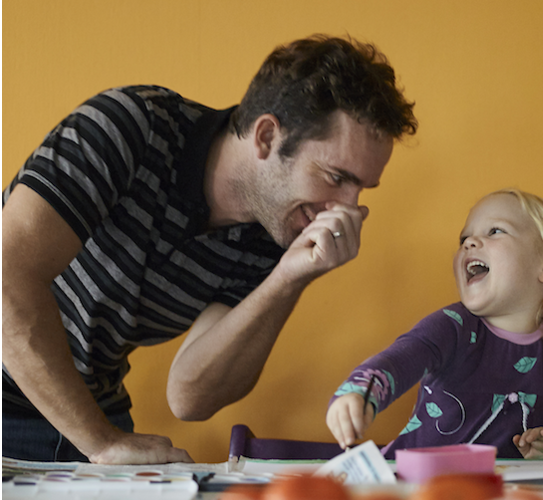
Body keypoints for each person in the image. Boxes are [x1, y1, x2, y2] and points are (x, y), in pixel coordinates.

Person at [2, 35, 417, 464]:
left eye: (361, 189)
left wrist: (290, 277)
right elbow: (6, 277)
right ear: (267, 137)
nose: (348, 208)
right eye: (336, 177)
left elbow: (191, 396)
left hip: (93, 414)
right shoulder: (131, 126)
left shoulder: (277, 228)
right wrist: (101, 442)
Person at [326, 189, 543, 459]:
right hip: (413, 486)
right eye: (464, 238)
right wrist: (357, 393)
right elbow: (399, 361)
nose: (469, 243)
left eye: (495, 231)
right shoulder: (452, 327)